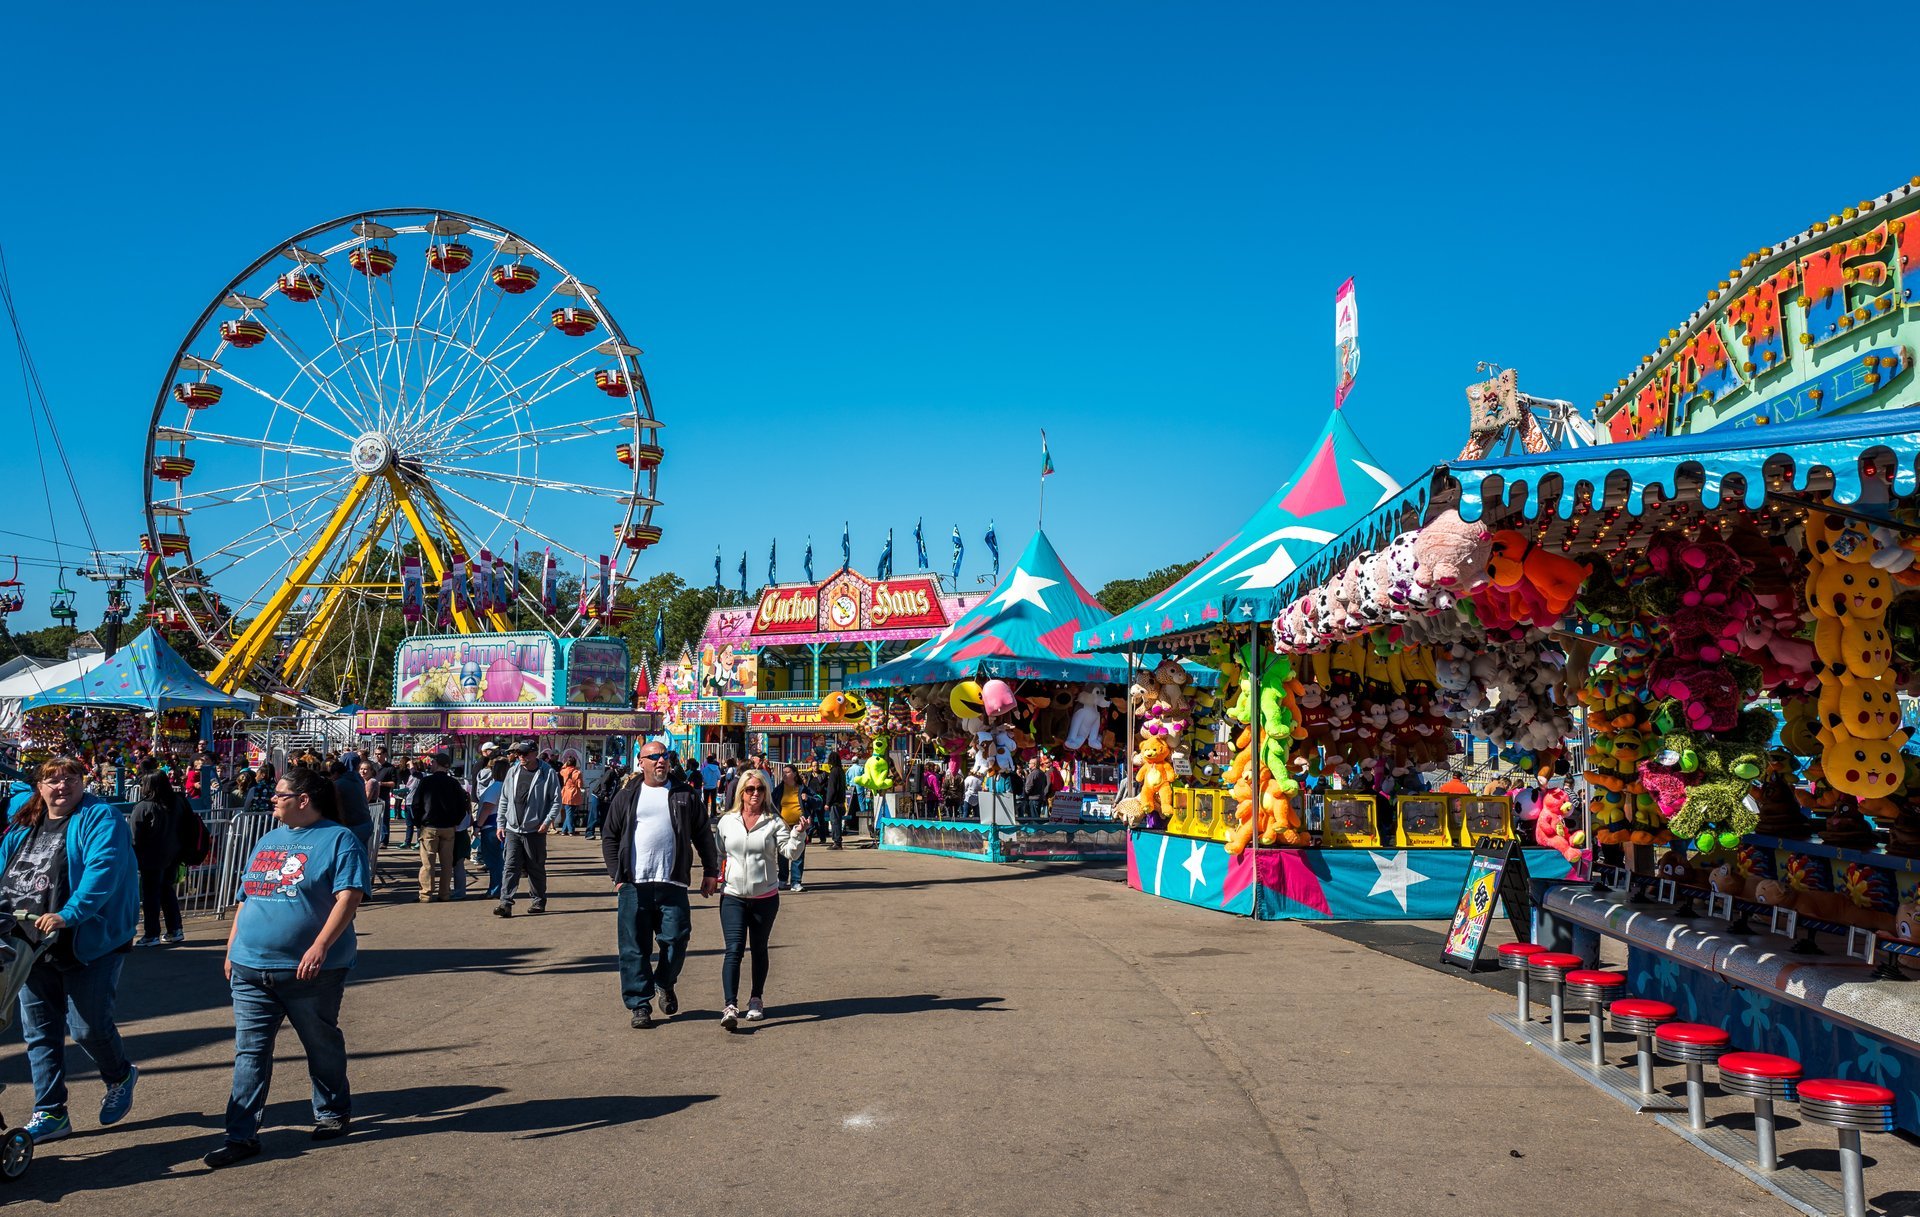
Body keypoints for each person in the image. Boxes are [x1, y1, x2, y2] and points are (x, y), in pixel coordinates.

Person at [203, 764, 370, 1169]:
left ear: (303, 800)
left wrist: (319, 946)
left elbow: (348, 897)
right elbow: (247, 896)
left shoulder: (339, 839)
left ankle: (331, 1111)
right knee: (250, 1053)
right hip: (250, 968)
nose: (273, 799)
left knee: (320, 1042)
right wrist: (231, 947)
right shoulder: (269, 838)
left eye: (280, 794)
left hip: (310, 971)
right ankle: (240, 1135)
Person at [0, 755, 141, 1145]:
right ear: (39, 787)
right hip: (28, 942)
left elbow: (104, 869)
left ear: (83, 782)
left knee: (87, 1027)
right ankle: (51, 1111)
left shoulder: (101, 818)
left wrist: (69, 913)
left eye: (71, 778)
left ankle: (119, 1075)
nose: (62, 786)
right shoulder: (23, 826)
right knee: (39, 1032)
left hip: (88, 940)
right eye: (52, 780)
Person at [599, 740, 718, 1029]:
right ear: (641, 762)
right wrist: (618, 875)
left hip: (672, 882)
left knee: (677, 938)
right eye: (653, 757)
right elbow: (610, 837)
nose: (660, 761)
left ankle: (664, 980)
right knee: (633, 947)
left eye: (664, 756)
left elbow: (703, 834)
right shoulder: (628, 795)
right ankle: (640, 1004)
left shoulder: (684, 794)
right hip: (633, 884)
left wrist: (710, 871)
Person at [713, 769, 805, 1030]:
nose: (755, 794)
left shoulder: (773, 822)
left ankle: (756, 999)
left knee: (759, 948)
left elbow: (790, 853)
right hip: (732, 895)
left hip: (765, 896)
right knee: (733, 949)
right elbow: (719, 853)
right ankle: (730, 1005)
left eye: (760, 789)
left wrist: (798, 833)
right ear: (741, 792)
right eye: (750, 789)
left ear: (766, 793)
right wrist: (713, 876)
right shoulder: (727, 821)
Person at [494, 741, 559, 917]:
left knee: (535, 867)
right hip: (512, 828)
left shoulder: (547, 773)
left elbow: (555, 800)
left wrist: (546, 822)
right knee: (510, 866)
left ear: (534, 753)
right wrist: (501, 824)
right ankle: (505, 903)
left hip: (535, 830)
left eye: (524, 753)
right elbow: (504, 799)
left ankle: (538, 901)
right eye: (518, 754)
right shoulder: (513, 771)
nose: (520, 756)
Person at [130, 771, 185, 946]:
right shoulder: (177, 802)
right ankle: (175, 929)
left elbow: (135, 836)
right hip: (173, 854)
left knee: (151, 896)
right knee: (167, 891)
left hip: (151, 856)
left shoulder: (144, 807)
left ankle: (151, 933)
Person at [410, 752, 470, 903]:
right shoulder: (454, 783)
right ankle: (444, 894)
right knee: (447, 864)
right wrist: (455, 821)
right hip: (449, 827)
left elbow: (416, 804)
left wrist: (419, 823)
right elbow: (463, 806)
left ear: (436, 763)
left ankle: (425, 894)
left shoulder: (426, 782)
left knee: (427, 864)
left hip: (429, 826)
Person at [772, 764, 812, 892]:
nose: (784, 775)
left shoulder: (802, 788)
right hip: (783, 826)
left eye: (787, 772)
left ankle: (796, 882)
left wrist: (808, 798)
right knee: (782, 854)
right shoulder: (779, 789)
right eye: (783, 772)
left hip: (799, 825)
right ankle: (782, 879)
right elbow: (771, 804)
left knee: (798, 853)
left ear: (794, 774)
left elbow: (818, 800)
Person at [328, 759, 375, 860]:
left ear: (335, 773)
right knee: (362, 855)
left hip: (353, 825)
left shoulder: (338, 784)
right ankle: (364, 873)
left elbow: (338, 806)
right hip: (366, 822)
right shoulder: (358, 780)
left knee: (350, 856)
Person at [475, 759, 507, 898]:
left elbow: (487, 808)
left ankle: (495, 889)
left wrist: (478, 826)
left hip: (491, 827)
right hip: (502, 826)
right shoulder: (507, 787)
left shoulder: (495, 787)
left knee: (494, 861)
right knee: (500, 859)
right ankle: (498, 888)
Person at [589, 762, 622, 842]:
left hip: (606, 799)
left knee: (605, 817)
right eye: (623, 770)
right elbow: (604, 783)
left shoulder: (618, 778)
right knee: (595, 815)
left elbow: (615, 790)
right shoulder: (610, 772)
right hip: (597, 796)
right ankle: (589, 833)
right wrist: (605, 794)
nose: (624, 773)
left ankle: (603, 833)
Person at [558, 751, 587, 837]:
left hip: (566, 792)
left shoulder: (564, 771)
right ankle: (571, 830)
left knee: (568, 812)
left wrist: (566, 764)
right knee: (570, 812)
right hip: (574, 793)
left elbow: (561, 769)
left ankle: (564, 830)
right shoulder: (577, 773)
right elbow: (580, 785)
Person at [823, 752, 846, 849]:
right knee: (838, 821)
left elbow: (831, 789)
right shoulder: (841, 771)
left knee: (835, 822)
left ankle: (837, 842)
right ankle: (837, 840)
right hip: (841, 801)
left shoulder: (833, 772)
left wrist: (828, 802)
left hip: (835, 802)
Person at [700, 753, 721, 821]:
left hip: (706, 786)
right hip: (714, 786)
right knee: (713, 801)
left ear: (707, 761)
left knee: (705, 801)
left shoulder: (705, 769)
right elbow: (719, 777)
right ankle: (713, 814)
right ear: (713, 760)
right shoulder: (717, 768)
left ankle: (705, 814)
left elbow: (702, 777)